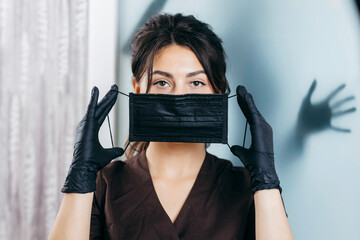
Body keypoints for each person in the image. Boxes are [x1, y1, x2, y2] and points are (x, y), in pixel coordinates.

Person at [49, 13, 294, 240]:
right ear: (137, 89)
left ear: (218, 91)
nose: (178, 97)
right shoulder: (103, 184)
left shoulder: (247, 187)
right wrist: (79, 176)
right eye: (162, 82)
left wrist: (266, 181)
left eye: (196, 82)